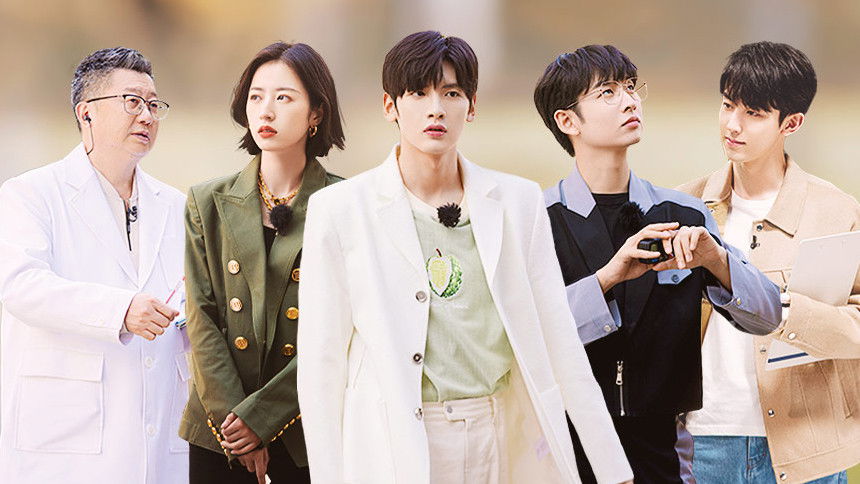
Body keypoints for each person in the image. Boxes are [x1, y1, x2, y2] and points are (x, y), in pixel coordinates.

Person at [298, 31, 633, 484]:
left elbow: (558, 339)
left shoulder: (517, 201)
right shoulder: (341, 209)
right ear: (390, 106)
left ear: (471, 106)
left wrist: (614, 471)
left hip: (501, 433)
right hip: (396, 440)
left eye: (451, 93)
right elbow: (321, 367)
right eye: (418, 93)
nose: (436, 108)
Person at [533, 44, 782, 483]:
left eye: (631, 87)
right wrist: (607, 278)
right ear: (568, 121)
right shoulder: (537, 220)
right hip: (565, 456)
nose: (630, 101)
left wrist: (716, 260)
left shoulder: (684, 214)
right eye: (607, 92)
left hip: (665, 459)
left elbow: (767, 316)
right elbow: (527, 337)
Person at [0, 47, 189, 483]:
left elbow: (191, 295)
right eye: (132, 102)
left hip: (161, 434)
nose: (147, 116)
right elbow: (21, 286)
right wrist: (120, 310)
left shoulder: (177, 206)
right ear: (86, 113)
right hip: (64, 441)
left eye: (153, 104)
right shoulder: (31, 194)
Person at [678, 41, 860, 484]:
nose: (732, 125)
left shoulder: (837, 213)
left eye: (754, 113)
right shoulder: (682, 205)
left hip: (808, 447)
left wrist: (783, 312)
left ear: (791, 123)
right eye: (727, 105)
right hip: (704, 441)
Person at [179, 41, 345, 484]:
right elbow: (201, 318)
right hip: (221, 430)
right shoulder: (207, 202)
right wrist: (237, 424)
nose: (265, 111)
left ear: (316, 113)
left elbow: (342, 332)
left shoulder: (346, 204)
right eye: (256, 97)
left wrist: (264, 416)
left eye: (284, 97)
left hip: (306, 426)